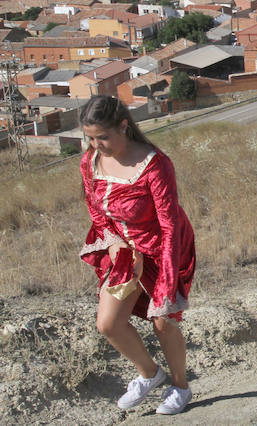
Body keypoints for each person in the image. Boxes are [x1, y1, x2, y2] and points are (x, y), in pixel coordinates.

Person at [79, 95, 196, 415]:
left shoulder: (155, 164)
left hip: (163, 249)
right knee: (108, 323)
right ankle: (149, 373)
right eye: (90, 138)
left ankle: (180, 387)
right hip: (122, 247)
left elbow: (170, 225)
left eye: (102, 137)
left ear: (123, 126)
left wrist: (168, 279)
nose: (96, 145)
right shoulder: (90, 161)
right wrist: (114, 242)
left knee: (162, 320)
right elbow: (97, 212)